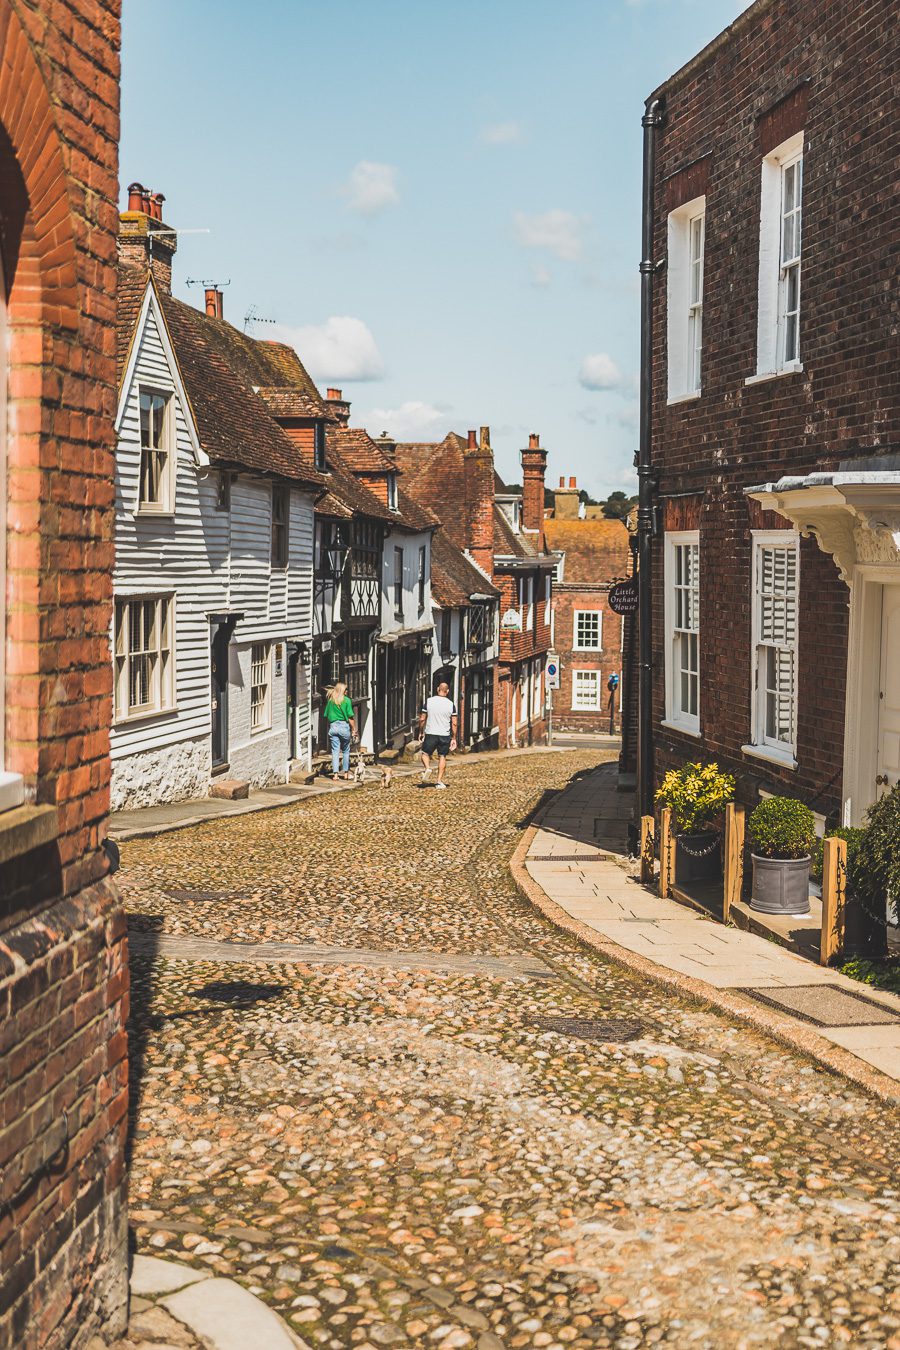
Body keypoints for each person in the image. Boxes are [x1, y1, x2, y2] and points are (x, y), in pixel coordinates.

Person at [418, 681, 458, 789]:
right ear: (447, 691)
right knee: (442, 756)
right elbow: (454, 723)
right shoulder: (451, 705)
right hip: (444, 734)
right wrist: (454, 737)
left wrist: (421, 732)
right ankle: (439, 781)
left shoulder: (429, 701)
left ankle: (427, 768)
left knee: (425, 754)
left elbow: (422, 719)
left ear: (437, 689)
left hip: (431, 732)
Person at [323, 681, 356, 780]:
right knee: (346, 751)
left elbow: (326, 715)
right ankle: (346, 773)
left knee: (335, 751)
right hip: (344, 727)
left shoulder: (331, 701)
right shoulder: (347, 701)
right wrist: (354, 730)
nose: (347, 691)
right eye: (346, 689)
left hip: (333, 727)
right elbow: (350, 717)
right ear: (342, 690)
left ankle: (335, 775)